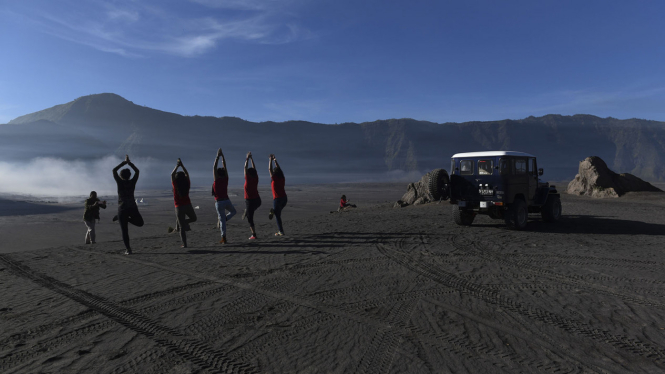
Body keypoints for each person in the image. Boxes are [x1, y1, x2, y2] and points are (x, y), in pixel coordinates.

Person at [112, 155, 144, 255]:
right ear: (129, 175)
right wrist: (130, 163)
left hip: (122, 209)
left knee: (125, 230)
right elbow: (137, 171)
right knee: (139, 223)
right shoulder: (132, 182)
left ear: (121, 176)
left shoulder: (120, 183)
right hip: (132, 207)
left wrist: (124, 163)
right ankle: (128, 249)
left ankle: (128, 249)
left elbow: (114, 170)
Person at [170, 158, 197, 248]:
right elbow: (187, 174)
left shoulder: (175, 186)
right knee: (193, 218)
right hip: (188, 205)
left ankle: (184, 244)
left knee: (181, 227)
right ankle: (184, 223)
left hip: (178, 207)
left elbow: (172, 174)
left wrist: (177, 166)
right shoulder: (187, 184)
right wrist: (182, 166)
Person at [213, 148, 236, 244]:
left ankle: (223, 237)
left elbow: (214, 167)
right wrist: (222, 157)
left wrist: (217, 156)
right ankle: (225, 219)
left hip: (219, 202)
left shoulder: (217, 180)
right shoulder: (226, 179)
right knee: (233, 212)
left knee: (222, 221)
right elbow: (225, 167)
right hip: (226, 200)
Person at [242, 152, 261, 240]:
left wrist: (247, 158)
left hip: (249, 201)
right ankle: (249, 211)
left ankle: (254, 234)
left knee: (250, 218)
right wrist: (251, 159)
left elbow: (245, 168)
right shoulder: (256, 178)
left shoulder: (248, 179)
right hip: (257, 200)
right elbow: (254, 168)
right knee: (251, 212)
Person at [268, 154, 287, 236]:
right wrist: (275, 160)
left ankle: (281, 231)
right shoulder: (282, 178)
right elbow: (280, 170)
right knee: (277, 213)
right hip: (284, 199)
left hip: (277, 199)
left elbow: (269, 169)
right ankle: (274, 211)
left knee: (277, 215)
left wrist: (270, 160)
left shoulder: (274, 179)